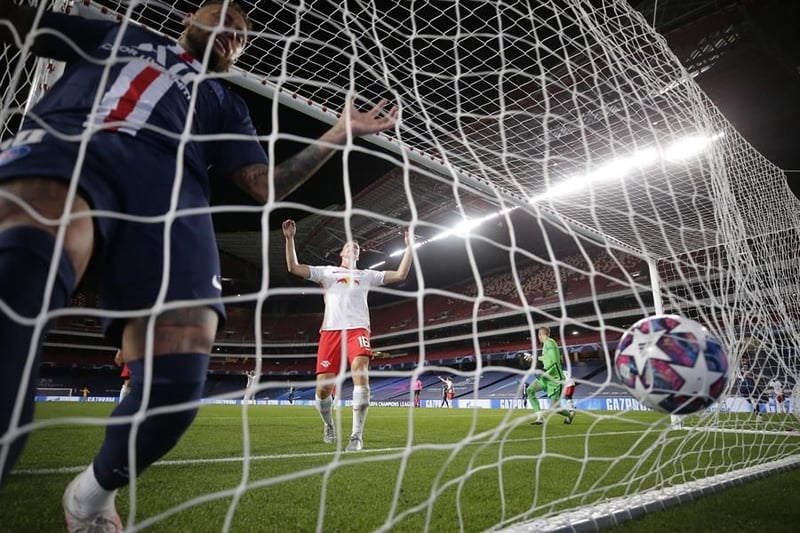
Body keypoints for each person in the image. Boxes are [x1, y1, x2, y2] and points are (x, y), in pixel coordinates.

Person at [0, 0, 397, 528]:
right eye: (224, 20)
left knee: (176, 384)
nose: (233, 32)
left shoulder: (223, 102)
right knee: (22, 279)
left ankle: (91, 495)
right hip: (73, 151)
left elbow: (265, 187)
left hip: (171, 207)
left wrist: (339, 133)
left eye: (241, 33)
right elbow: (18, 25)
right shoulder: (120, 35)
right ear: (189, 18)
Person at [283, 219, 414, 452]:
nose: (354, 247)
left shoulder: (367, 275)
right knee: (323, 389)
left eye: (358, 247)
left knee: (361, 374)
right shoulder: (326, 272)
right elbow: (293, 267)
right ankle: (329, 424)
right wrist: (290, 238)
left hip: (358, 329)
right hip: (331, 332)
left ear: (358, 256)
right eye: (350, 246)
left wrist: (410, 247)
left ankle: (356, 436)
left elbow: (401, 274)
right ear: (342, 253)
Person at [527, 327, 575, 425]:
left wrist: (544, 373)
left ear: (540, 335)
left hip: (555, 379)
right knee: (530, 390)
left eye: (539, 335)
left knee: (555, 408)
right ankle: (540, 418)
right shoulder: (546, 345)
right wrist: (534, 357)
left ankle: (570, 414)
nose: (539, 337)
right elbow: (546, 358)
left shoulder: (549, 342)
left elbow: (554, 363)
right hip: (546, 378)